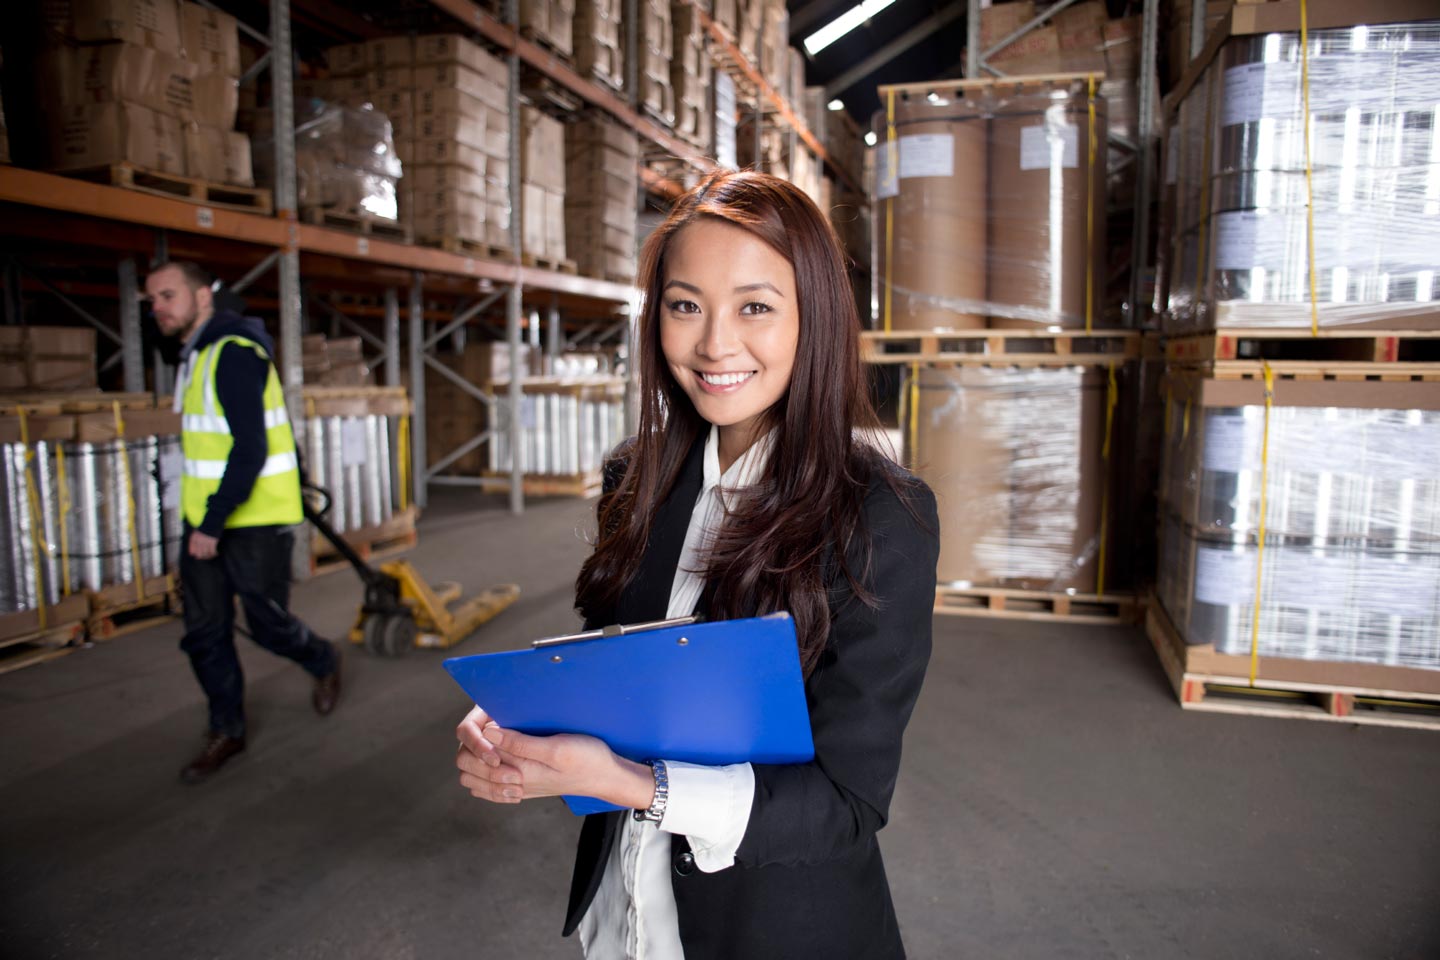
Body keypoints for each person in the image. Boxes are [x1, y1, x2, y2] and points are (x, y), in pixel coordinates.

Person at [454, 171, 940, 958]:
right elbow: (615, 676)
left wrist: (628, 783)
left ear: (813, 317)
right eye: (686, 306)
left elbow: (846, 805)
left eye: (755, 306)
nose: (715, 344)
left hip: (775, 929)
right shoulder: (634, 481)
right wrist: (520, 725)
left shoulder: (880, 516)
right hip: (628, 920)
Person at [146, 260, 342, 785]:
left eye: (167, 296)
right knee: (205, 631)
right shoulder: (197, 354)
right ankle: (226, 729)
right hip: (205, 518)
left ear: (203, 297)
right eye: (153, 300)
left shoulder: (233, 352)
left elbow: (250, 448)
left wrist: (210, 524)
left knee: (266, 622)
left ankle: (322, 659)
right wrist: (199, 520)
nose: (157, 308)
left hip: (253, 519)